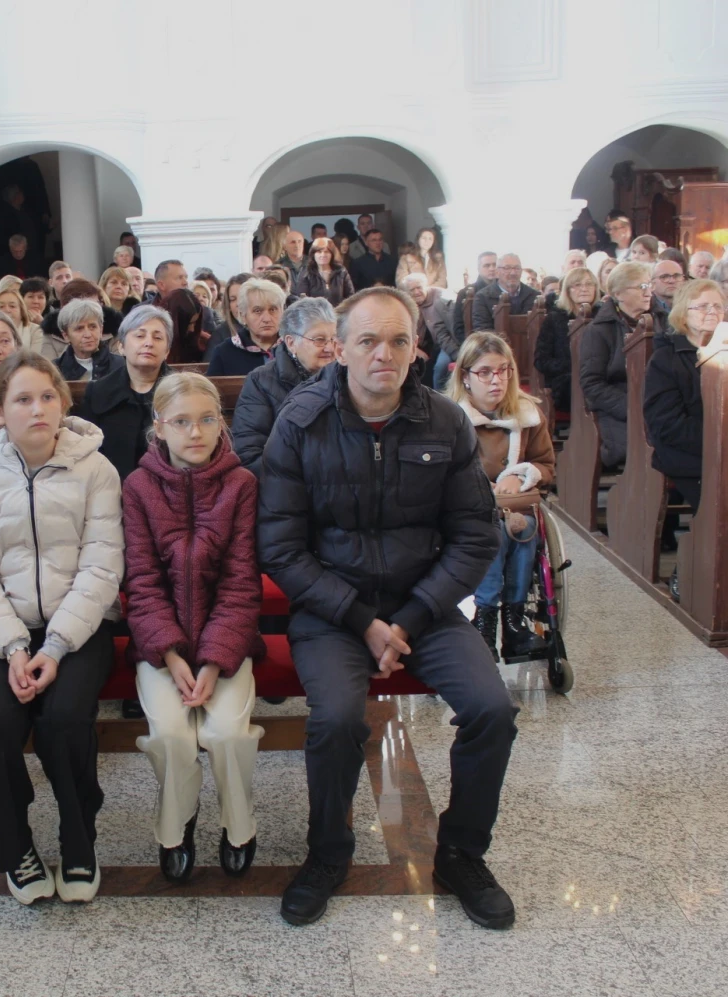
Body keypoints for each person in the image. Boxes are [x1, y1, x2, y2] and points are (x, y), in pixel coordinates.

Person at [257, 287, 515, 931]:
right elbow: (281, 547)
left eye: (399, 340)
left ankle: (460, 852)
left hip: (421, 604)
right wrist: (359, 619)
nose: (384, 354)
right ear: (338, 349)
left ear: (416, 348)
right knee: (337, 719)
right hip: (330, 609)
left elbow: (475, 533)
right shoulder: (301, 420)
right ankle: (327, 853)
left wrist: (408, 619)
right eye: (368, 340)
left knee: (492, 711)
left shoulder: (444, 421)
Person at [0, 352, 123, 905]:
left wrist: (55, 645)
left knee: (66, 720)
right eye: (22, 399)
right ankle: (16, 843)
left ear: (63, 404)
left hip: (81, 627)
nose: (38, 408)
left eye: (48, 397)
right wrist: (15, 646)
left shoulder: (96, 469)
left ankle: (78, 838)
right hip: (9, 632)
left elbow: (102, 566)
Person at [122, 373, 265, 883]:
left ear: (221, 423)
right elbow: (141, 581)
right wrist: (173, 656)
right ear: (158, 427)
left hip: (226, 643)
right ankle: (176, 826)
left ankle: (238, 825)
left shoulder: (241, 484)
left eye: (207, 419)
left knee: (226, 731)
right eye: (181, 421)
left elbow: (241, 582)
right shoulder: (137, 487)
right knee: (172, 734)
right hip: (161, 648)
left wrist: (212, 659)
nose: (196, 432)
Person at [447, 333, 555, 661]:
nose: (497, 380)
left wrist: (521, 473)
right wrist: (481, 488)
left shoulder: (528, 415)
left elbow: (546, 465)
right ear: (465, 377)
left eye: (504, 370)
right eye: (485, 372)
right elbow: (438, 472)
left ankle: (513, 623)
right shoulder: (449, 417)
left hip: (515, 507)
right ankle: (485, 618)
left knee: (523, 527)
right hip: (465, 510)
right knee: (492, 530)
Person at [644, 279, 726, 514]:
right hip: (689, 453)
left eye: (718, 306)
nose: (712, 312)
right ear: (683, 314)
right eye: (702, 306)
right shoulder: (666, 359)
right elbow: (666, 424)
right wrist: (718, 442)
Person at [232, 297, 337, 477]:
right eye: (319, 340)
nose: (330, 348)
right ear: (290, 343)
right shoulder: (261, 382)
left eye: (334, 339)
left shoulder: (349, 375)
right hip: (288, 484)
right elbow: (250, 454)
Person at [76, 304, 172, 481]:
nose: (148, 343)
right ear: (121, 347)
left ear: (167, 351)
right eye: (140, 335)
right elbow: (86, 452)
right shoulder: (98, 391)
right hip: (110, 488)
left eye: (157, 337)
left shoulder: (181, 392)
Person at [579, 261, 653, 468]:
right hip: (619, 410)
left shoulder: (662, 322)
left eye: (649, 286)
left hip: (657, 404)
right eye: (641, 287)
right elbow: (592, 384)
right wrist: (633, 408)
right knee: (646, 447)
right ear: (619, 293)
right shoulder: (599, 331)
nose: (648, 293)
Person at [533, 267, 598, 413]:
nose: (584, 289)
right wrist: (574, 365)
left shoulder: (602, 316)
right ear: (567, 290)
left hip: (598, 377)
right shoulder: (554, 319)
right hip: (565, 381)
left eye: (589, 284)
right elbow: (541, 361)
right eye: (577, 285)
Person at [206, 278, 283, 376]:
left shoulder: (295, 347)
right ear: (243, 316)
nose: (267, 319)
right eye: (257, 311)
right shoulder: (224, 352)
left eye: (273, 309)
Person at [400, 274, 455, 391]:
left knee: (440, 367)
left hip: (447, 344)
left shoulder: (441, 298)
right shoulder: (407, 304)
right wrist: (416, 350)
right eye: (412, 290)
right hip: (422, 347)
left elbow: (449, 333)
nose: (416, 292)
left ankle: (438, 397)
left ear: (427, 286)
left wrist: (457, 354)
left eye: (419, 287)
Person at [55, 298, 124, 382]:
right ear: (66, 335)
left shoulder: (121, 365)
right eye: (79, 329)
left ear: (101, 330)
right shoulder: (55, 369)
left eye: (93, 327)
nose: (88, 335)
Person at [471, 254, 539, 331]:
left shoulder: (534, 296)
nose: (513, 273)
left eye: (517, 268)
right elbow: (482, 331)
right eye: (507, 268)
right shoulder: (483, 297)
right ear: (497, 272)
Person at [450, 251, 498, 349]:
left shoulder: (506, 290)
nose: (492, 268)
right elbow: (458, 327)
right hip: (474, 347)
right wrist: (471, 348)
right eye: (487, 265)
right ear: (478, 268)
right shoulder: (465, 293)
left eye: (495, 265)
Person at [293, 238, 354, 305]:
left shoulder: (341, 271)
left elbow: (350, 297)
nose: (323, 255)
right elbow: (302, 300)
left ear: (332, 254)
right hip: (314, 314)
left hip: (338, 313)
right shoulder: (306, 273)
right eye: (319, 252)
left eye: (326, 252)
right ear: (313, 254)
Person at [160, 287, 206, 363]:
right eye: (188, 324)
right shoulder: (156, 344)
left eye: (195, 323)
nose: (192, 329)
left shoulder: (203, 342)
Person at [0, 285, 45, 354]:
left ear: (21, 310)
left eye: (12, 306)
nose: (7, 310)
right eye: (1, 306)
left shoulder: (35, 331)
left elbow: (34, 360)